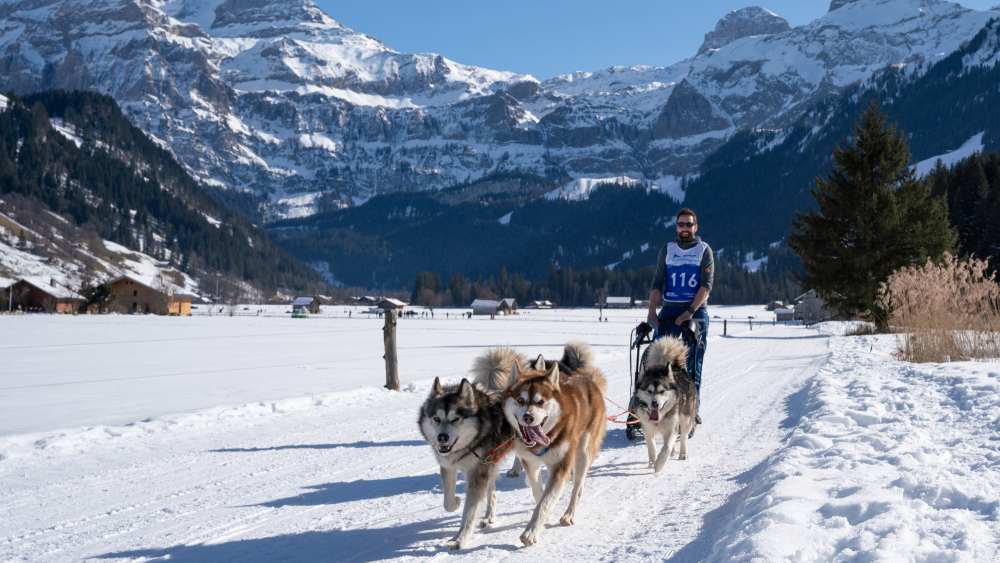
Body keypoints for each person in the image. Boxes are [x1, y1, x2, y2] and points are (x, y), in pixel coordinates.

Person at [645, 207, 712, 434]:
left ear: (695, 227)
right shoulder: (668, 249)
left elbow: (706, 285)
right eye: (681, 224)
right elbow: (657, 283)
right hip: (669, 310)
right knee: (658, 358)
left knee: (691, 362)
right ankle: (650, 408)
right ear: (677, 227)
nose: (685, 228)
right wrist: (652, 311)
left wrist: (690, 312)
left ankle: (690, 410)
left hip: (696, 312)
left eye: (689, 225)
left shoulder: (704, 250)